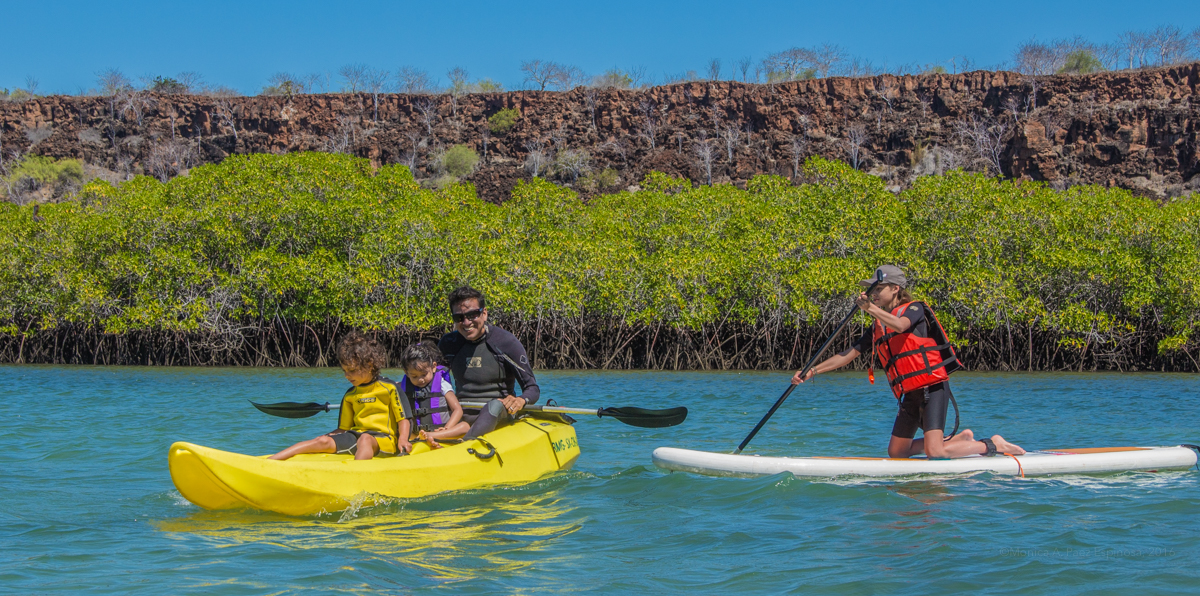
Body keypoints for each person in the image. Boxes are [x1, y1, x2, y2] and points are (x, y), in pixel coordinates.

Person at [792, 265, 1025, 459]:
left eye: (878, 288)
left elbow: (901, 326)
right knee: (896, 452)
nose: (873, 293)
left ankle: (992, 445)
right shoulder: (878, 326)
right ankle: (959, 440)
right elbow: (849, 354)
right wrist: (812, 371)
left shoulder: (914, 309)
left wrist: (870, 308)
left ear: (895, 289)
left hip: (932, 389)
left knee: (936, 453)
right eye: (871, 290)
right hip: (909, 394)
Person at [270, 332, 412, 461]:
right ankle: (269, 461)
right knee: (322, 441)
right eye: (344, 371)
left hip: (384, 440)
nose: (347, 375)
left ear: (369, 365)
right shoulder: (350, 395)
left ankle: (355, 475)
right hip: (354, 437)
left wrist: (403, 439)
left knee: (365, 439)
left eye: (351, 370)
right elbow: (344, 428)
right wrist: (327, 437)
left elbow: (403, 419)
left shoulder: (390, 388)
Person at [438, 286, 541, 440]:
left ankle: (466, 445)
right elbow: (432, 380)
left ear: (484, 313)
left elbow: (532, 388)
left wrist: (520, 400)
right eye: (459, 318)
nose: (466, 322)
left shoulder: (505, 342)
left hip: (498, 413)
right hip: (460, 413)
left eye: (472, 315)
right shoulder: (448, 343)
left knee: (494, 405)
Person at [398, 341, 470, 448]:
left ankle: (433, 436)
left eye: (424, 374)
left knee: (465, 426)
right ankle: (425, 439)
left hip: (441, 431)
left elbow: (457, 410)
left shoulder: (441, 384)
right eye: (414, 376)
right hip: (415, 434)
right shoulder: (401, 387)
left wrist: (447, 428)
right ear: (406, 372)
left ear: (433, 367)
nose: (420, 379)